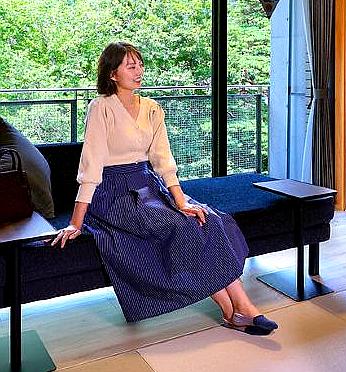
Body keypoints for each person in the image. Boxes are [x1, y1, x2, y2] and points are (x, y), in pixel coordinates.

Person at [51, 42, 278, 335]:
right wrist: (75, 223)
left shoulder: (152, 108)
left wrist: (182, 201)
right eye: (130, 66)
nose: (138, 71)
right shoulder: (101, 107)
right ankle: (238, 310)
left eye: (140, 65)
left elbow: (163, 160)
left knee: (206, 218)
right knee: (181, 226)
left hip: (149, 186)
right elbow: (91, 166)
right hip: (114, 194)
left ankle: (238, 310)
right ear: (112, 73)